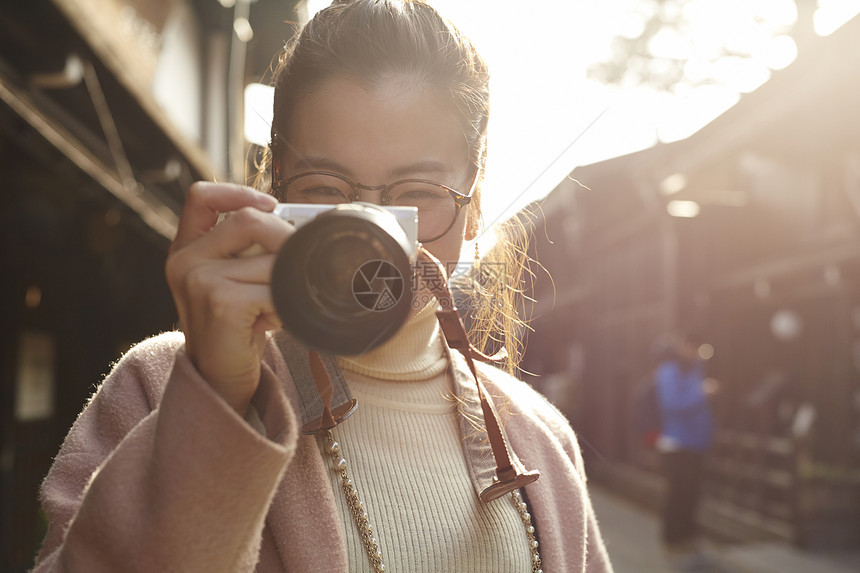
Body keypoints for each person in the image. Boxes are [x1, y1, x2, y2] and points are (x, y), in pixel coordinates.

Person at [33, 1, 612, 571]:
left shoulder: (539, 440)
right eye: (326, 189)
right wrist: (215, 400)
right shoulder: (164, 387)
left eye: (417, 194)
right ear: (275, 187)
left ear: (475, 208)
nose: (370, 232)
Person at [653, 333, 715, 570]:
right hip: (676, 443)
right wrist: (702, 393)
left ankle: (687, 538)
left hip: (697, 442)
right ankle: (671, 539)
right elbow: (672, 404)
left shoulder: (695, 369)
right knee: (677, 492)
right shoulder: (668, 371)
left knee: (692, 492)